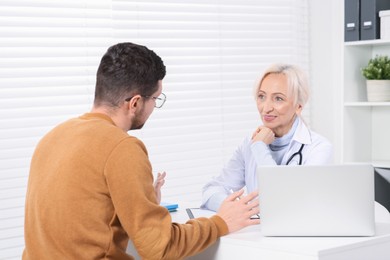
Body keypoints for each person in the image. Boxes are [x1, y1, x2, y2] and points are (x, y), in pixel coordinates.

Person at [22, 42, 260, 260]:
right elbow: (159, 248)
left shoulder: (52, 137)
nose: (154, 106)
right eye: (155, 99)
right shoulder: (122, 147)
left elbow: (79, 221)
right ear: (135, 103)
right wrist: (221, 222)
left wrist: (143, 201)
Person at [201, 63, 333, 211]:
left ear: (298, 107)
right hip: (255, 231)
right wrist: (237, 207)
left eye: (278, 99)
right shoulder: (250, 143)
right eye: (261, 96)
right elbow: (211, 190)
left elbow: (284, 203)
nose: (266, 108)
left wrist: (259, 148)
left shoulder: (318, 148)